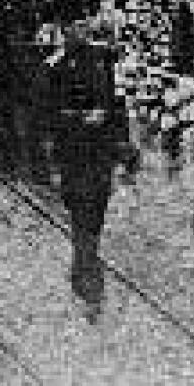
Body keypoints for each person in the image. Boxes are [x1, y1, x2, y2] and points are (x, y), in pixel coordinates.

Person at [53, 36, 138, 322]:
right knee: (83, 223)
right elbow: (50, 116)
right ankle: (90, 285)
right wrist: (83, 119)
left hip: (100, 162)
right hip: (75, 161)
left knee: (93, 222)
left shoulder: (105, 73)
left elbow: (118, 114)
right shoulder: (59, 69)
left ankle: (83, 270)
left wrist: (126, 153)